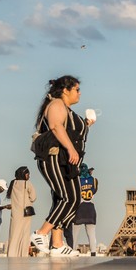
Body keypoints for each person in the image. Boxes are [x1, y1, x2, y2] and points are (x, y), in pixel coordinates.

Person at [30, 75, 95, 258]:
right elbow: (56, 126)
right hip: (55, 158)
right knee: (68, 198)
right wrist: (71, 149)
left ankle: (57, 244)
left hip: (67, 161)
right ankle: (41, 233)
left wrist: (88, 123)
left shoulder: (66, 109)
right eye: (77, 89)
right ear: (65, 90)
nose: (79, 93)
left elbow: (71, 130)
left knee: (70, 199)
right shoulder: (57, 104)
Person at [7, 166, 37, 257]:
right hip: (25, 212)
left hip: (15, 212)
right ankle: (23, 254)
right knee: (24, 234)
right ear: (23, 174)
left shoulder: (13, 183)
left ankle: (11, 254)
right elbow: (33, 197)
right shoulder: (27, 183)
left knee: (14, 233)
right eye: (27, 174)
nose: (29, 176)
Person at [74, 163, 99, 255]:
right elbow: (95, 190)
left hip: (80, 208)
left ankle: (73, 250)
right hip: (90, 208)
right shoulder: (94, 180)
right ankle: (93, 252)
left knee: (75, 233)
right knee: (92, 233)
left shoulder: (77, 180)